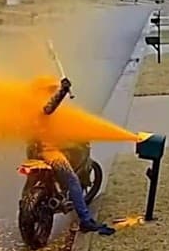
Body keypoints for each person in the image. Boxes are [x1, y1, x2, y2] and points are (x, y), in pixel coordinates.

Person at [28, 76, 116, 236]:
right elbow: (49, 107)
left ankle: (30, 201)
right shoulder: (42, 106)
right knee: (72, 180)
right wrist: (62, 91)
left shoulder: (27, 105)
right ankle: (86, 220)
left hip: (33, 152)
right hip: (49, 152)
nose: (50, 92)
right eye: (49, 90)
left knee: (32, 182)